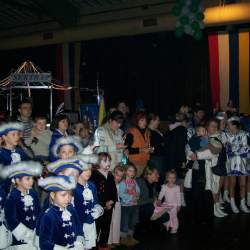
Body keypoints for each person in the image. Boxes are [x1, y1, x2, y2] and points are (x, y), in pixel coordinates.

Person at [2, 161, 42, 250]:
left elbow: (39, 212)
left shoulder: (33, 193)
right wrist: (26, 234)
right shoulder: (12, 197)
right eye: (28, 179)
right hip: (20, 240)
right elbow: (11, 219)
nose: (31, 181)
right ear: (17, 180)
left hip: (35, 235)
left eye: (32, 178)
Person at [38, 176, 85, 250]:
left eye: (70, 194)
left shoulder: (72, 210)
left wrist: (79, 243)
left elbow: (79, 229)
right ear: (53, 195)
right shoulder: (48, 216)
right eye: (63, 195)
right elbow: (43, 243)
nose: (67, 198)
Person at [74, 157, 104, 250]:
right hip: (78, 225)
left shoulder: (92, 185)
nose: (88, 172)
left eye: (90, 169)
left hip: (90, 223)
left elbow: (95, 201)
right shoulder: (73, 188)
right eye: (85, 170)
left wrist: (98, 210)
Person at [90, 152, 117, 250]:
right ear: (98, 162)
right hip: (99, 206)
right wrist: (103, 204)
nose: (108, 163)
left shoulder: (110, 176)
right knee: (96, 226)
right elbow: (94, 193)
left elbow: (114, 190)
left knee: (106, 226)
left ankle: (103, 244)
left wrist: (112, 201)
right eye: (105, 161)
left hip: (109, 205)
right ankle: (94, 245)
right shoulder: (94, 175)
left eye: (109, 160)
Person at [223, 116, 250, 213]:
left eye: (229, 124)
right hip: (231, 163)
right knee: (232, 184)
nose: (227, 126)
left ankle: (242, 204)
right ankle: (232, 202)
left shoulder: (243, 134)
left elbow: (246, 149)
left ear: (234, 125)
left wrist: (233, 148)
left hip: (242, 163)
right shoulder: (225, 135)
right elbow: (227, 149)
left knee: (242, 184)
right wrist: (237, 148)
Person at [136, 167, 169, 239]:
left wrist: (158, 199)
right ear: (148, 175)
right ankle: (143, 226)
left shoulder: (153, 184)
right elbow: (136, 201)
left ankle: (151, 223)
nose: (158, 176)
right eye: (156, 174)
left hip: (150, 208)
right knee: (150, 208)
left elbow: (155, 196)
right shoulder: (139, 182)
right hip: (138, 209)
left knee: (166, 216)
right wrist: (152, 200)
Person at [0, 122, 30, 193]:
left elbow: (29, 162)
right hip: (7, 189)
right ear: (4, 137)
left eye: (18, 134)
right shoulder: (2, 153)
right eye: (13, 134)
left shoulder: (19, 150)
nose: (17, 137)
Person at [125, 111, 152, 177]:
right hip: (134, 164)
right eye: (142, 120)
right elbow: (127, 150)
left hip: (144, 163)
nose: (145, 122)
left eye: (145, 120)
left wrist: (150, 150)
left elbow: (147, 146)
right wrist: (142, 150)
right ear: (137, 121)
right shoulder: (131, 133)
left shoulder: (147, 132)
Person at [119, 165, 140, 246]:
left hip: (134, 205)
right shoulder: (123, 183)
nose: (132, 173)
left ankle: (130, 237)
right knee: (125, 221)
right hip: (125, 206)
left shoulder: (134, 182)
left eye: (133, 171)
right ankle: (124, 238)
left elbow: (138, 191)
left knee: (132, 221)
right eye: (130, 170)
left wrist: (137, 196)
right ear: (126, 171)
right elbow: (121, 194)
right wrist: (131, 197)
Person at [156, 170, 181, 234]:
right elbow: (161, 194)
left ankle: (175, 228)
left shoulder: (177, 187)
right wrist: (159, 199)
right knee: (166, 214)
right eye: (170, 177)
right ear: (167, 178)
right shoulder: (164, 186)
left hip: (174, 205)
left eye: (173, 178)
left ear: (175, 179)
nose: (172, 179)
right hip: (166, 204)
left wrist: (179, 205)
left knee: (174, 216)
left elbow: (178, 197)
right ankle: (167, 223)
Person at [108, 165, 124, 247]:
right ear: (113, 174)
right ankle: (109, 241)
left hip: (118, 203)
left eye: (121, 176)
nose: (119, 177)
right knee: (110, 222)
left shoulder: (120, 184)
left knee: (117, 221)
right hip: (111, 203)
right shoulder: (110, 182)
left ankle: (115, 240)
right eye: (117, 175)